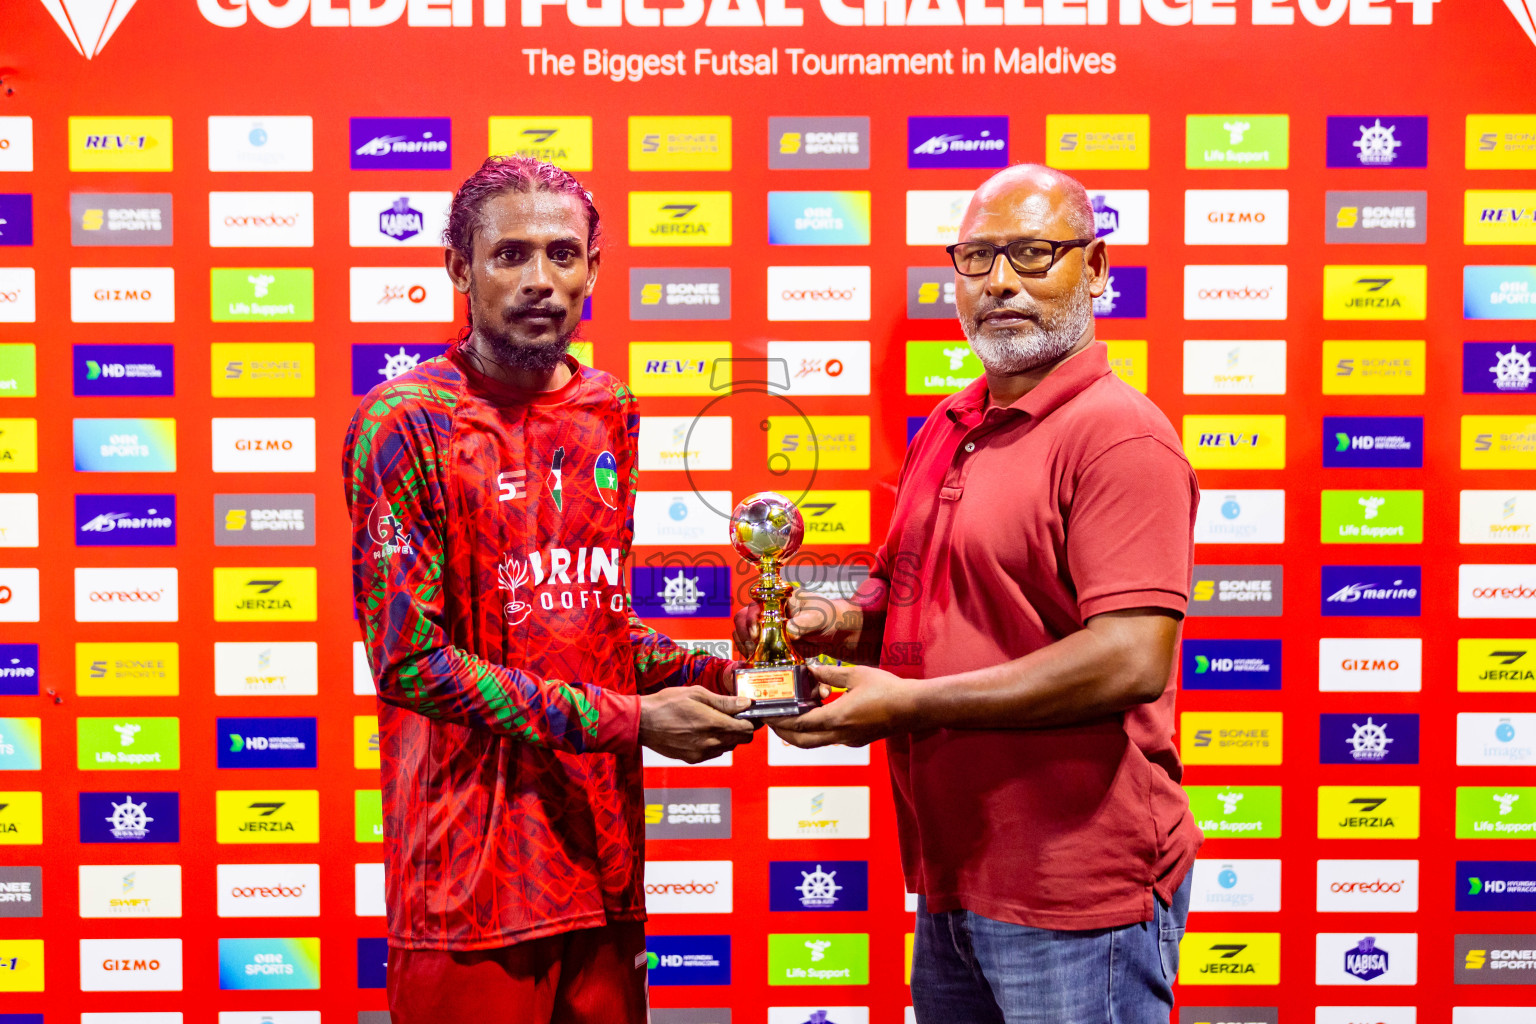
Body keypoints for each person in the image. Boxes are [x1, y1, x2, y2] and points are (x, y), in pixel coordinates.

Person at [745, 164, 1201, 1024]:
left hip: (1076, 893)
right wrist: (833, 623)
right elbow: (920, 603)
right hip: (954, 875)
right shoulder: (951, 424)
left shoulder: (1121, 436)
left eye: (1033, 254)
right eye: (977, 257)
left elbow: (1132, 658)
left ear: (1097, 270)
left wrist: (908, 705)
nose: (1000, 282)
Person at [344, 156, 757, 1024]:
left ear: (595, 269)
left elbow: (589, 623)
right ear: (460, 270)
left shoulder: (610, 407)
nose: (542, 281)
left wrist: (724, 677)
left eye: (564, 255)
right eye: (510, 255)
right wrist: (637, 722)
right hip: (467, 880)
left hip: (600, 862)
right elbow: (410, 664)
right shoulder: (406, 419)